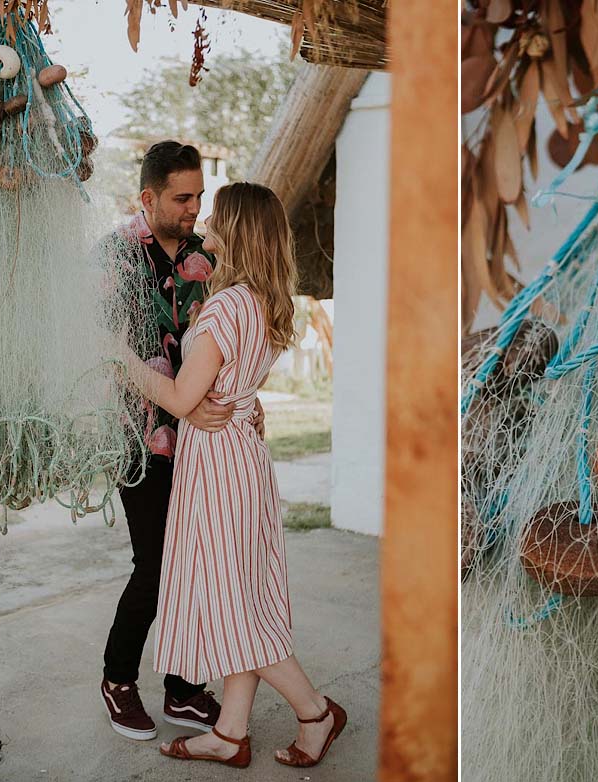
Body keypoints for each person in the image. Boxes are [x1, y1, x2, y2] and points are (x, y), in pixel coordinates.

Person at [117, 182, 346, 769]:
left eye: (218, 210)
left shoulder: (226, 305)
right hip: (240, 456)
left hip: (217, 465)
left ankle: (315, 712)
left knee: (232, 607)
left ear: (238, 229)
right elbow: (228, 389)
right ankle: (229, 732)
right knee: (239, 598)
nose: (205, 216)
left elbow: (178, 392)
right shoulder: (263, 300)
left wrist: (118, 357)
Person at [100, 141, 267, 741]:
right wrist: (184, 407)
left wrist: (247, 402)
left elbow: (225, 342)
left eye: (199, 195)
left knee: (192, 564)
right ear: (147, 198)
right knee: (153, 564)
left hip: (204, 447)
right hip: (140, 438)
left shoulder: (204, 254)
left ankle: (181, 688)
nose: (195, 207)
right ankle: (118, 679)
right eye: (182, 197)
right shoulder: (113, 258)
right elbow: (105, 351)